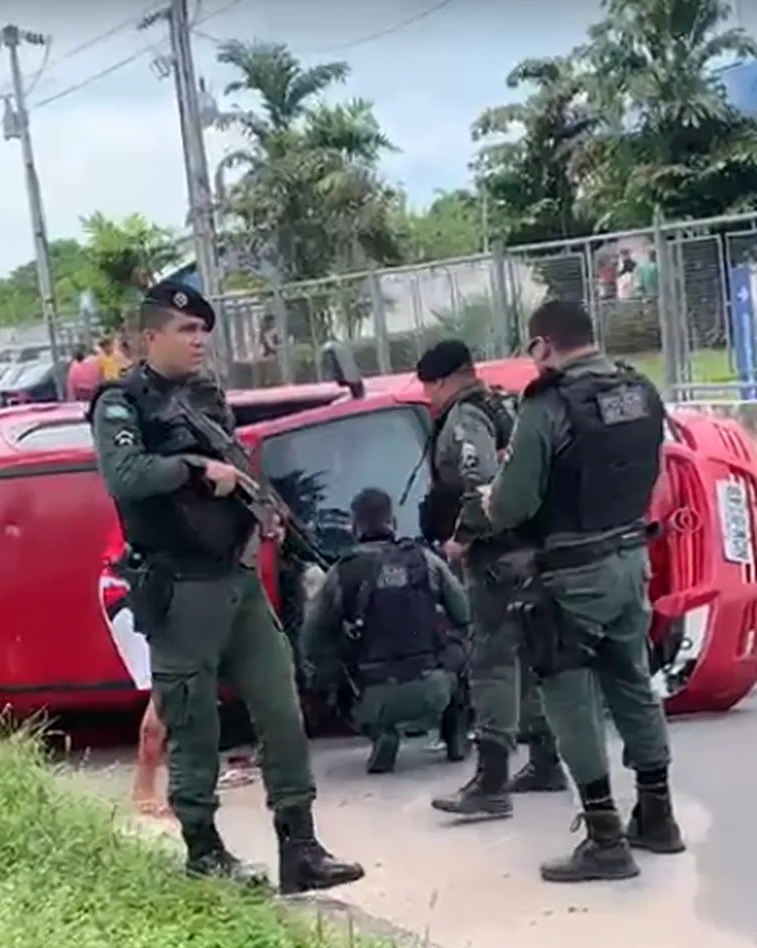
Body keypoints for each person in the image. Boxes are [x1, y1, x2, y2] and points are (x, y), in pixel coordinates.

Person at [88, 279, 364, 894]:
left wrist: (261, 505)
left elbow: (236, 462)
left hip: (236, 578)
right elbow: (124, 475)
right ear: (149, 336)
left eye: (204, 332)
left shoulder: (206, 398)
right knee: (194, 725)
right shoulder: (121, 403)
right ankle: (204, 851)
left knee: (282, 711)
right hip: (180, 587)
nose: (199, 341)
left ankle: (301, 847)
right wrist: (193, 469)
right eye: (187, 331)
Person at [483, 299, 684, 882]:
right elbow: (655, 471)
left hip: (572, 574)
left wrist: (487, 501)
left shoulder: (548, 404)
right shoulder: (640, 390)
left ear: (543, 346)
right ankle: (658, 815)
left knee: (567, 693)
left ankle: (603, 837)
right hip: (630, 560)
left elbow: (515, 502)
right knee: (632, 683)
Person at [417, 339, 568, 822]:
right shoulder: (507, 402)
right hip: (534, 549)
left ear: (440, 381)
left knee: (492, 663)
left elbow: (480, 480)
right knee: (531, 657)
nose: (429, 399)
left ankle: (491, 781)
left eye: (428, 389)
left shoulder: (465, 418)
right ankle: (545, 761)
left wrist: (463, 535)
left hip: (497, 555)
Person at [300, 488, 471, 774]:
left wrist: (329, 672)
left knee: (329, 666)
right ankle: (454, 731)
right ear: (393, 522)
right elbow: (464, 614)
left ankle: (381, 732)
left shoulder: (342, 572)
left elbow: (312, 639)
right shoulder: (426, 560)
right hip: (434, 690)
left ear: (355, 527)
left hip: (372, 699)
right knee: (460, 647)